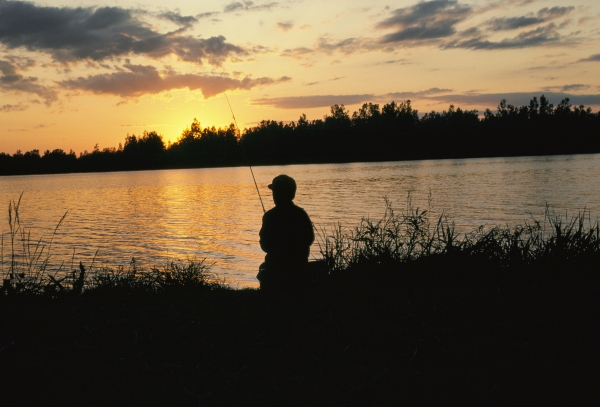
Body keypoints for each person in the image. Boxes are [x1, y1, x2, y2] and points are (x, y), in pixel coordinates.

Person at [258, 174, 315, 292]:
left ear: (276, 194)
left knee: (263, 269)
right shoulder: (301, 214)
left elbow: (265, 246)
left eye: (274, 192)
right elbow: (309, 239)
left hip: (275, 267)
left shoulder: (269, 216)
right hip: (299, 265)